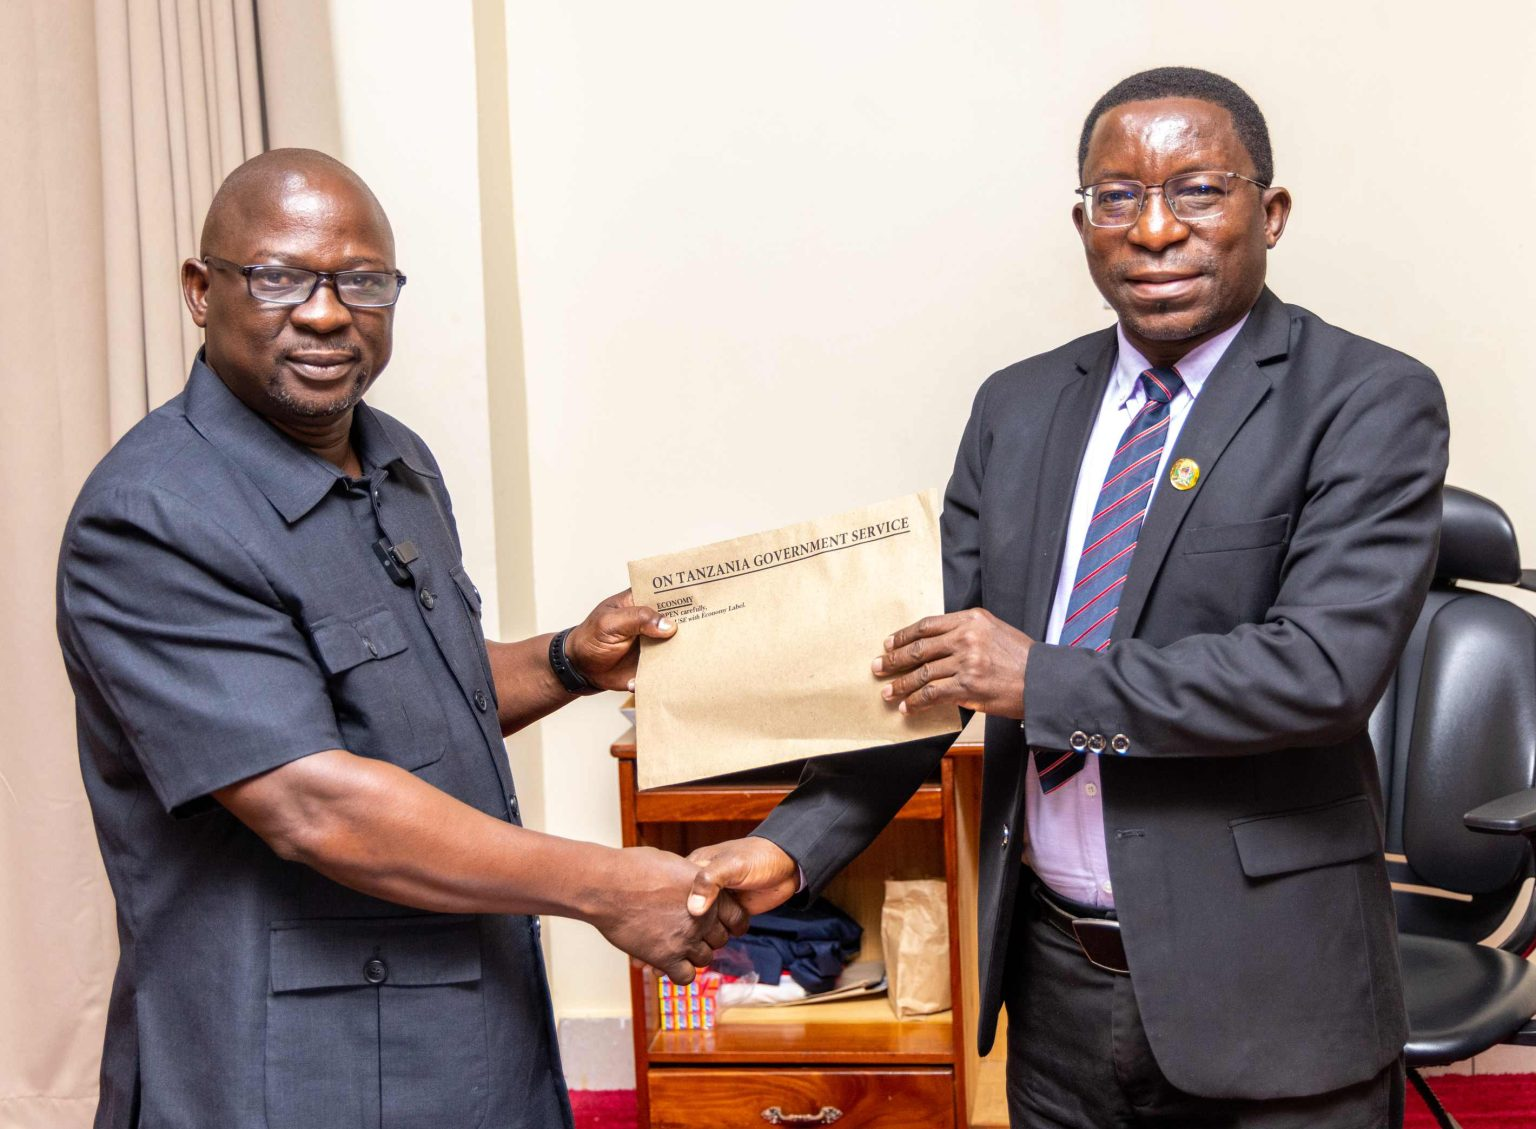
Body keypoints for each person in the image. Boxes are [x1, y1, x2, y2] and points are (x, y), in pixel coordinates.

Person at [690, 67, 1448, 1127]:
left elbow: (1321, 671)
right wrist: (790, 845)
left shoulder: (1368, 398)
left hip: (1268, 988)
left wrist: (1038, 678)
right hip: (1055, 986)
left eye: (1198, 190)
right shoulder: (1018, 405)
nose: (1154, 230)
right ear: (1083, 221)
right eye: (1116, 196)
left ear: (1270, 213)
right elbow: (931, 665)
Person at [56, 149, 738, 1129]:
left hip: (469, 1032)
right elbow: (313, 801)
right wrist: (608, 886)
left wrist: (567, 660)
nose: (326, 313)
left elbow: (412, 700)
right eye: (280, 277)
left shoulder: (398, 461)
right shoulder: (153, 515)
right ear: (202, 291)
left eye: (363, 282)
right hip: (291, 1075)